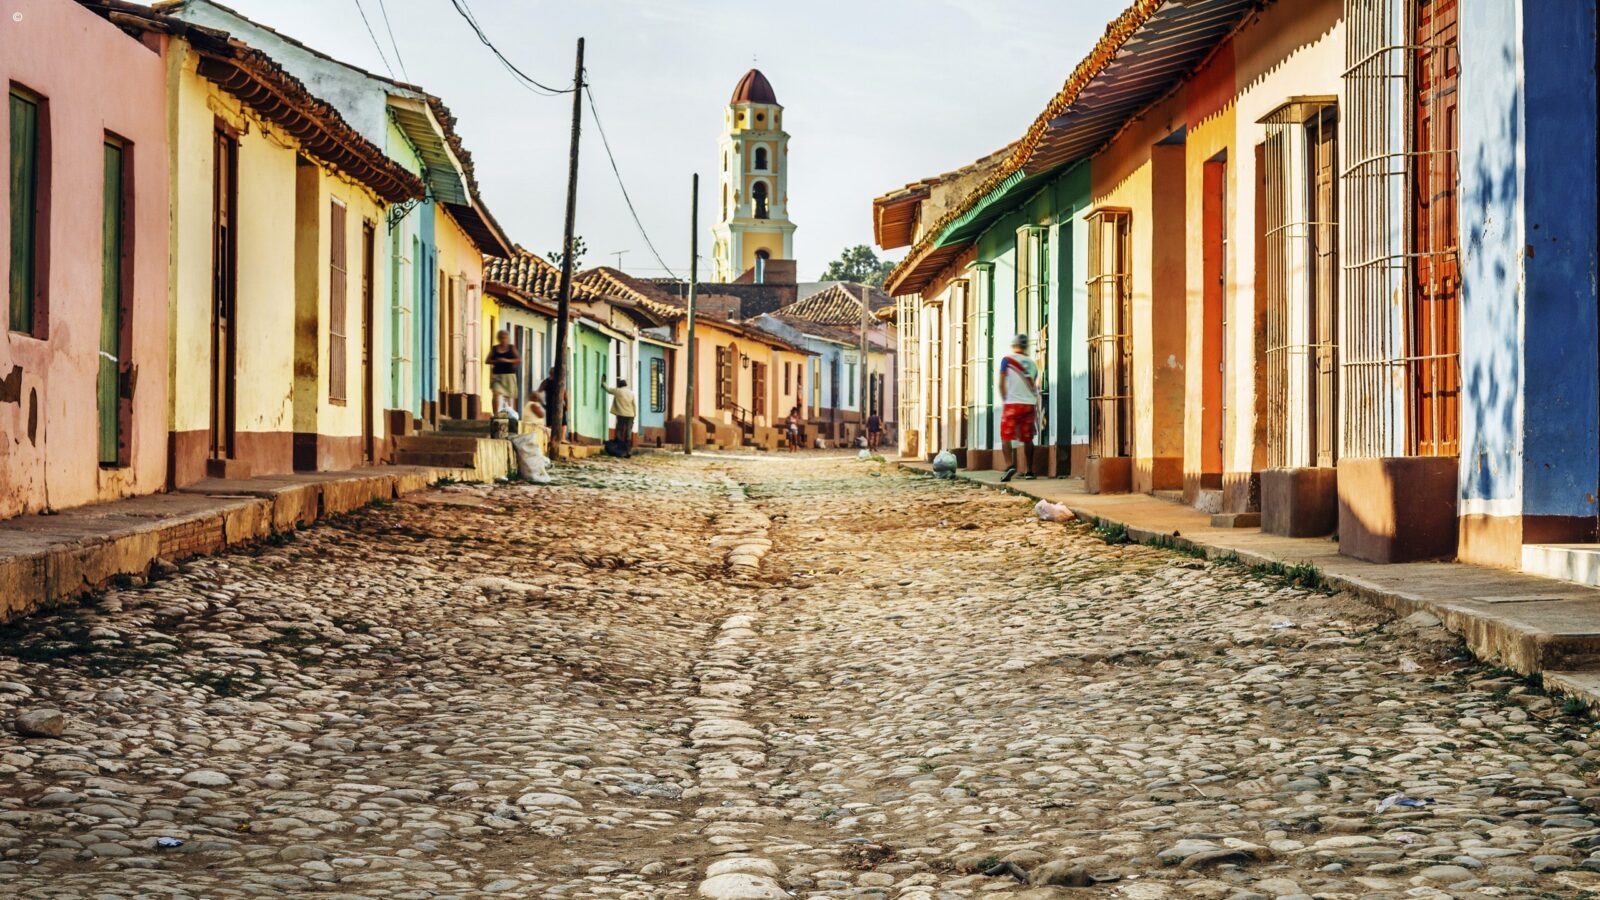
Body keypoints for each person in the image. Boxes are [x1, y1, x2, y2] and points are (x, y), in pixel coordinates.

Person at [998, 333, 1040, 482]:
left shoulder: (1007, 360)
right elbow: (1034, 383)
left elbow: (1001, 383)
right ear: (1026, 346)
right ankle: (1029, 470)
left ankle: (1009, 465)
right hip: (1029, 404)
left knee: (1005, 435)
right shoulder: (1033, 364)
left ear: (1014, 345)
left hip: (1012, 403)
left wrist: (1005, 399)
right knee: (1027, 438)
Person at [487, 331, 521, 418]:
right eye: (501, 338)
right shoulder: (495, 349)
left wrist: (506, 360)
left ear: (508, 339)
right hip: (497, 375)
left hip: (509, 376)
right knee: (496, 393)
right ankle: (495, 414)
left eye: (505, 338)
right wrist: (496, 361)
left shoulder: (511, 348)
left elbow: (518, 360)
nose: (503, 340)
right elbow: (487, 360)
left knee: (509, 396)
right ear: (498, 338)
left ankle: (509, 415)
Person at [601, 375, 638, 453]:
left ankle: (619, 444)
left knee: (619, 428)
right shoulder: (631, 393)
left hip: (621, 414)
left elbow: (608, 390)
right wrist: (635, 414)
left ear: (619, 385)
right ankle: (628, 447)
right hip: (630, 414)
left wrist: (603, 383)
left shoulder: (618, 391)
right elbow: (634, 405)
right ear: (625, 385)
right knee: (628, 430)